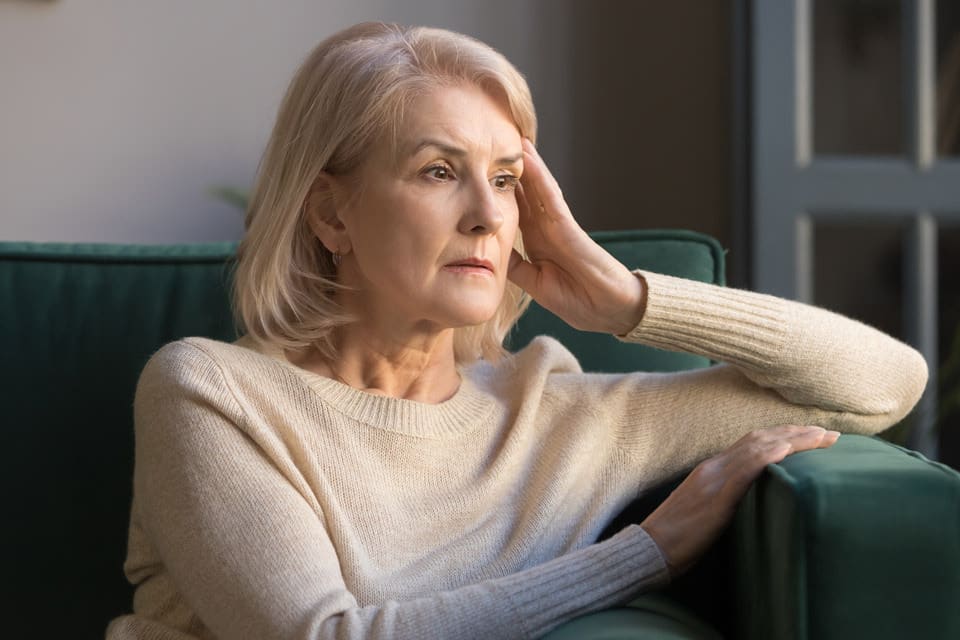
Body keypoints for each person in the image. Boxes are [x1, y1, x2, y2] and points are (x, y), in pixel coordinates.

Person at [105, 22, 928, 640]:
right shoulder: (211, 392)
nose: (489, 215)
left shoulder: (554, 411)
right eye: (439, 172)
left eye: (505, 178)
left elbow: (887, 382)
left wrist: (628, 300)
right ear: (330, 212)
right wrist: (648, 552)